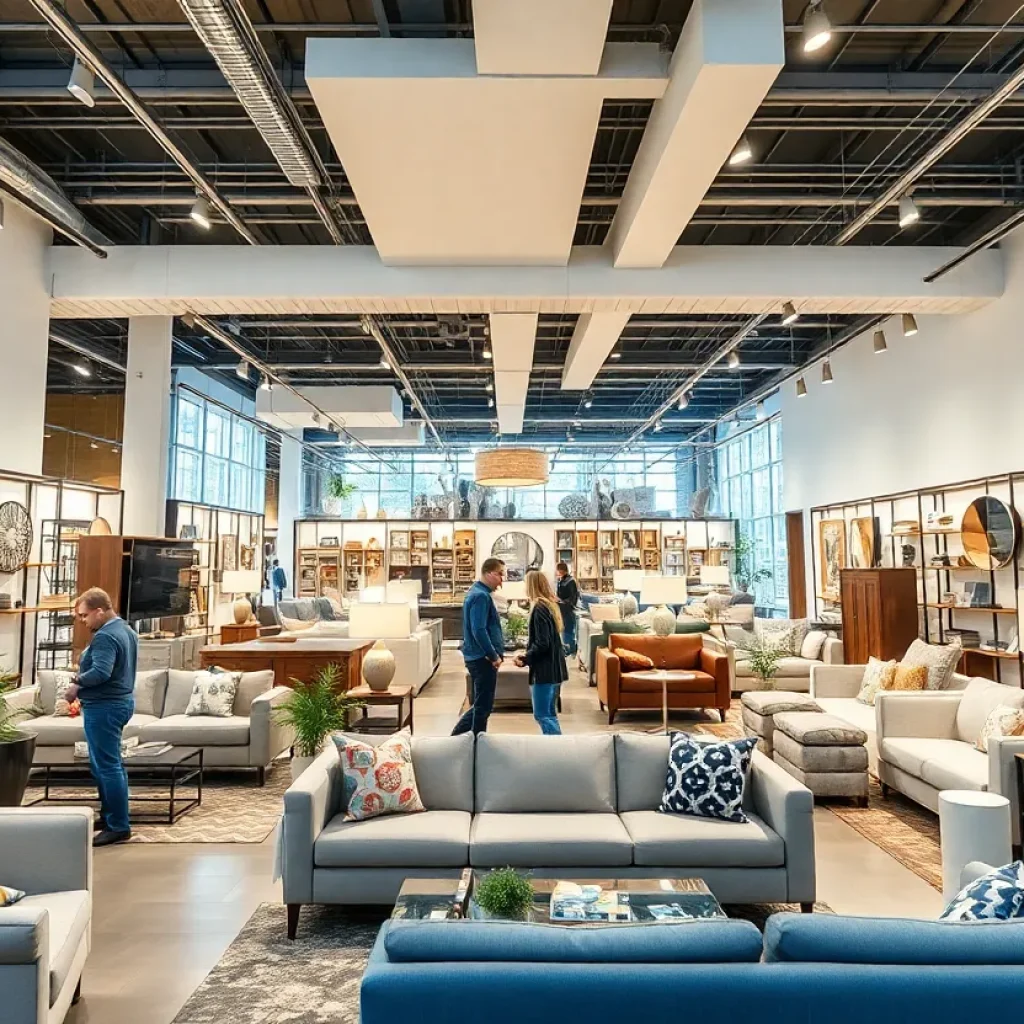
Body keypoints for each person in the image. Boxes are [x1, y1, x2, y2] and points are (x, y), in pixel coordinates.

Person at [63, 587, 139, 847]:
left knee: (107, 766)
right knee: (109, 764)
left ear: (98, 611)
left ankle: (118, 825)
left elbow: (101, 672)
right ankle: (112, 816)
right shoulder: (126, 630)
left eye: (84, 616)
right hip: (120, 702)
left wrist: (76, 684)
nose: (82, 621)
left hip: (105, 706)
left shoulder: (106, 636)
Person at [452, 557, 505, 736]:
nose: (501, 580)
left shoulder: (478, 593)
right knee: (483, 708)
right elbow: (479, 630)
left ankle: (461, 741)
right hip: (481, 659)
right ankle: (469, 742)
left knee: (481, 706)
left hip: (479, 657)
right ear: (489, 573)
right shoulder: (480, 596)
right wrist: (493, 655)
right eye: (500, 574)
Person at [515, 571, 568, 735]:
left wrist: (525, 658)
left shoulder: (539, 608)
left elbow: (542, 643)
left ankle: (556, 751)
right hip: (555, 669)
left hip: (545, 670)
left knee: (542, 715)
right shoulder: (550, 606)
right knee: (550, 714)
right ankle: (558, 749)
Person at [555, 560, 579, 656]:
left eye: (558, 570)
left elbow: (573, 598)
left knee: (568, 630)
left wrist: (561, 602)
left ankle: (571, 650)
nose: (556, 572)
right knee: (563, 630)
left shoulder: (571, 581)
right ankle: (565, 649)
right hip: (561, 608)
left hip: (568, 609)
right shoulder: (560, 580)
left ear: (562, 570)